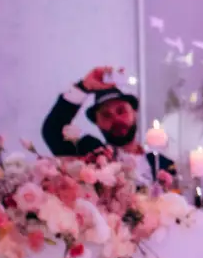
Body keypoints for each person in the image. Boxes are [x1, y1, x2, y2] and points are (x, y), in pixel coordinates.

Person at [41, 66, 176, 182]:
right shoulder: (89, 152)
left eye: (121, 111)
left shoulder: (163, 164)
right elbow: (52, 130)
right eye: (106, 115)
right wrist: (84, 87)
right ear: (97, 122)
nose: (116, 119)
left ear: (134, 112)